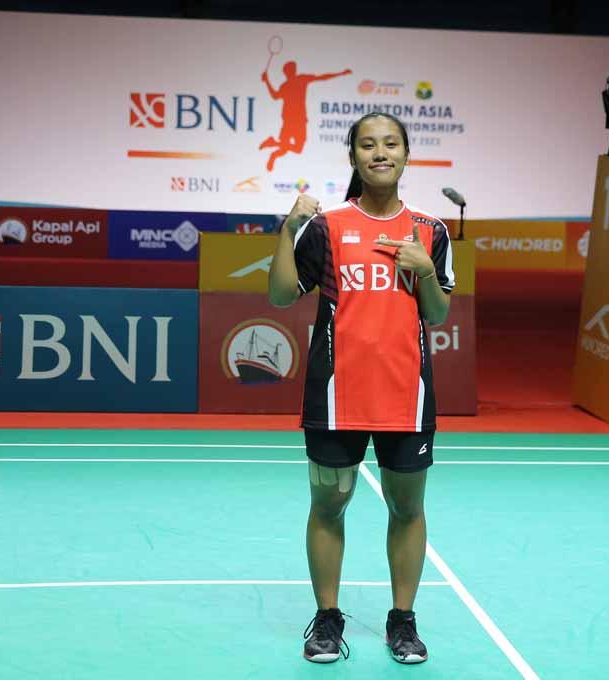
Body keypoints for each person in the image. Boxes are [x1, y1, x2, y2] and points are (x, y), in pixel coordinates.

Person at [267, 112, 455, 665]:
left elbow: (438, 314)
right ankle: (327, 620)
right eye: (368, 145)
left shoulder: (430, 230)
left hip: (407, 394)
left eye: (390, 144)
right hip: (335, 395)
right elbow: (281, 295)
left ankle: (403, 621)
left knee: (407, 508)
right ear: (352, 156)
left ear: (405, 155)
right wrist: (287, 229)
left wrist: (423, 270)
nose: (380, 152)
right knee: (329, 505)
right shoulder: (325, 227)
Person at [260, 61, 352, 172]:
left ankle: (273, 144)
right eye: (291, 69)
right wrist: (267, 81)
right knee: (286, 149)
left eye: (293, 69)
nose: (293, 71)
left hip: (299, 120)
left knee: (296, 149)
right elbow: (275, 96)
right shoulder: (289, 84)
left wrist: (340, 73)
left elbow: (322, 78)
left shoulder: (299, 80)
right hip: (290, 120)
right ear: (288, 72)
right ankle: (273, 150)